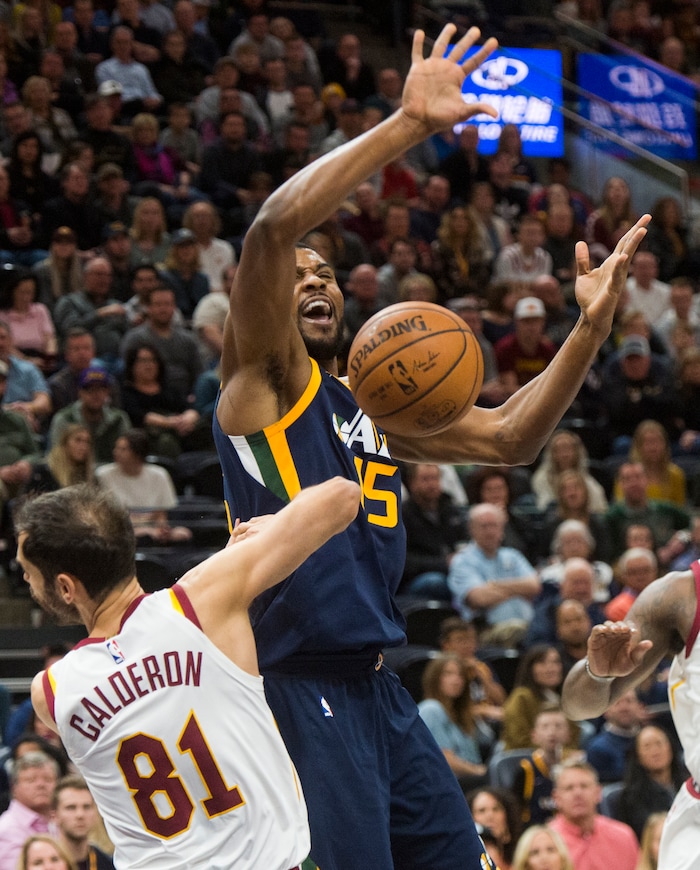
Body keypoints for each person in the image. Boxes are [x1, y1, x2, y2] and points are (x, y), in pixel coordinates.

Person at [213, 20, 650, 870]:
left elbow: (513, 437)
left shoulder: (371, 404)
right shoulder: (260, 386)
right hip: (298, 685)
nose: (314, 279)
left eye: (326, 273)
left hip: (380, 685)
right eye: (298, 276)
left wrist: (589, 331)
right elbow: (270, 229)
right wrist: (408, 125)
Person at [19, 478, 361, 869]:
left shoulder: (50, 692)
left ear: (66, 587)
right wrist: (242, 553)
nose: (27, 581)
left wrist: (212, 579)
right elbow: (343, 496)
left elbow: (140, 676)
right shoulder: (202, 604)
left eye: (29, 573)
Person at [448, 502, 540, 646]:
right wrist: (518, 590)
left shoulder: (513, 556)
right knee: (523, 631)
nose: (490, 531)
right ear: (471, 529)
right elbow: (480, 598)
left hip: (528, 625)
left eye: (494, 525)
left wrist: (494, 586)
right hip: (487, 632)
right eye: (484, 526)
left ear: (502, 529)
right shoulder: (462, 561)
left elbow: (534, 586)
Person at [96, 428, 191, 543]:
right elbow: (109, 517)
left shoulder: (159, 475)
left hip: (152, 529)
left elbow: (161, 516)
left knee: (183, 533)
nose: (116, 452)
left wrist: (160, 530)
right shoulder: (103, 474)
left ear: (137, 453)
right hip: (120, 531)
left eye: (123, 449)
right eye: (116, 448)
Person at [548, 759, 640, 870]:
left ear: (598, 793)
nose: (578, 793)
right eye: (569, 788)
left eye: (584, 786)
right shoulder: (546, 842)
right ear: (556, 798)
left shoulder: (623, 836)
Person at [417, 653, 489, 792]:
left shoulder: (461, 714)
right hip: (446, 786)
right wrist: (480, 771)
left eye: (460, 675)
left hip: (467, 783)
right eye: (448, 674)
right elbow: (444, 758)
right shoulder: (431, 709)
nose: (456, 680)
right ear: (435, 678)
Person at [611, 724, 686, 841]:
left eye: (659, 743)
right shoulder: (630, 798)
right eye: (647, 746)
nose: (655, 751)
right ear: (638, 755)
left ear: (671, 746)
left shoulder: (690, 785)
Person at [501, 645, 579, 751]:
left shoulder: (564, 698)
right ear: (530, 668)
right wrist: (557, 754)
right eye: (542, 663)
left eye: (555, 662)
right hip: (522, 757)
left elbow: (573, 735)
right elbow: (518, 740)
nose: (551, 668)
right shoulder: (521, 697)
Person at [512, 705, 577, 827]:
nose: (552, 732)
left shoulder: (576, 769)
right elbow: (516, 810)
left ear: (569, 734)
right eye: (545, 726)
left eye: (558, 726)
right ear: (534, 735)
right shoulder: (526, 770)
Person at [0, 751, 59, 870]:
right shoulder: (6, 830)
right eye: (31, 780)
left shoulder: (62, 820)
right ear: (14, 787)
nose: (41, 785)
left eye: (48, 779)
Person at [53, 775, 114, 870]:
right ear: (54, 816)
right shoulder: (44, 863)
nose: (80, 815)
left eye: (86, 807)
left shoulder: (109, 864)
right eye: (71, 807)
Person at [585, 687, 645, 783]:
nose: (624, 708)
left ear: (639, 706)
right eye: (617, 702)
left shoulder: (652, 738)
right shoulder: (597, 748)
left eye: (629, 701)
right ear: (605, 711)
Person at [25, 423, 95, 492]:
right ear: (65, 443)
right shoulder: (44, 472)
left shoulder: (90, 476)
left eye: (87, 442)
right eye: (78, 440)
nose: (83, 447)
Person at [467, 786, 521, 870]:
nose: (490, 816)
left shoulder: (522, 859)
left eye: (496, 809)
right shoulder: (464, 861)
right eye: (482, 810)